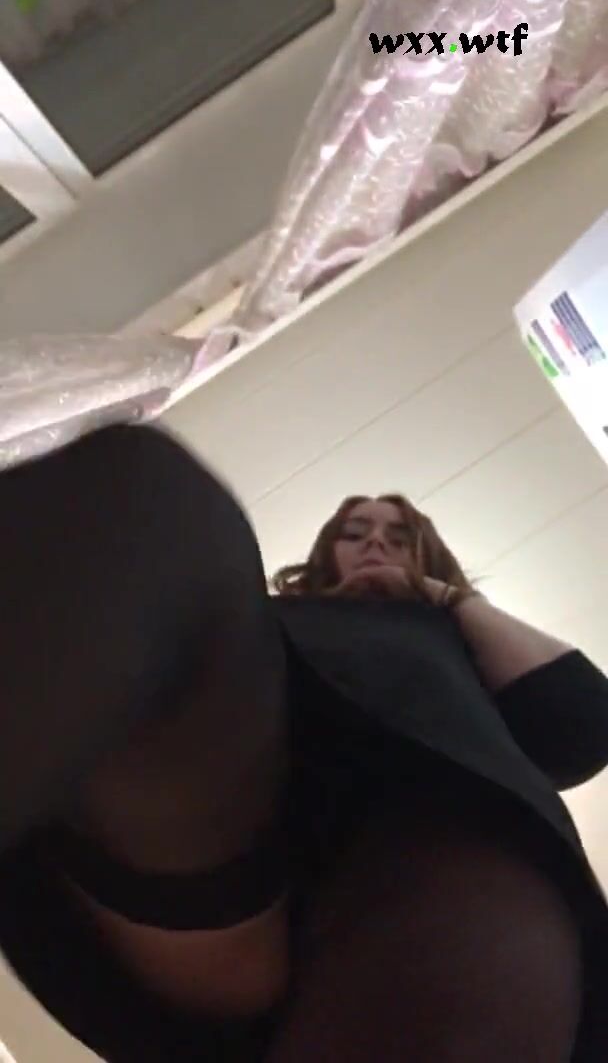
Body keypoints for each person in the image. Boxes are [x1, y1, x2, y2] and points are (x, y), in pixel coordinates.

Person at [0, 422, 607, 1062]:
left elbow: (581, 726)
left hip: (432, 859)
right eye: (355, 531)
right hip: (216, 847)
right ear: (325, 551)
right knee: (153, 486)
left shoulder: (449, 634)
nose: (375, 541)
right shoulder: (258, 626)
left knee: (476, 906)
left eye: (400, 536)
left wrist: (448, 597)